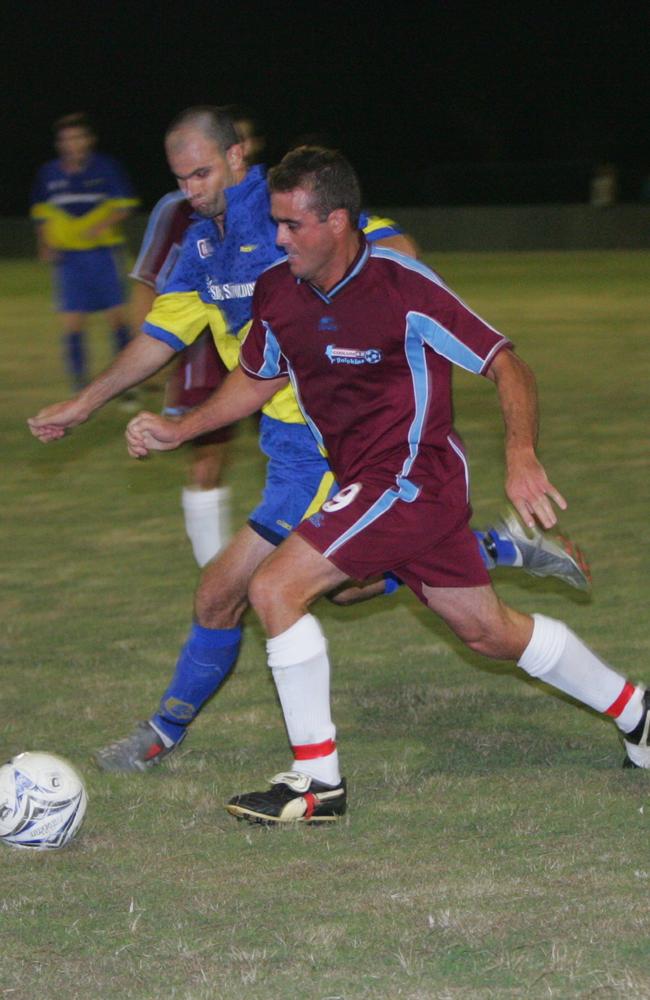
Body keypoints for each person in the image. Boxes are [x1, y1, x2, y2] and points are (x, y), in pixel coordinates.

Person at [28, 110, 588, 775]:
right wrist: (86, 404)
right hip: (290, 449)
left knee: (231, 590)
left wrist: (351, 323)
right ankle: (492, 548)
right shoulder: (200, 250)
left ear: (239, 156)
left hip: (341, 448)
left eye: (204, 173)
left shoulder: (289, 209)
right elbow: (160, 334)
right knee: (346, 591)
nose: (194, 191)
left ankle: (176, 737)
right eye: (181, 181)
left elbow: (387, 253)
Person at [124, 147, 648, 826]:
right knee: (487, 631)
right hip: (368, 484)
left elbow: (505, 363)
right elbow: (258, 378)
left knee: (276, 587)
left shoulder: (405, 286)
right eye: (275, 223)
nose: (277, 239)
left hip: (412, 479)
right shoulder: (278, 291)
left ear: (338, 222)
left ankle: (317, 783)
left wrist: (520, 453)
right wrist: (181, 428)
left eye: (292, 225)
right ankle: (636, 712)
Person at [128, 107, 267, 565]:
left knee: (297, 451)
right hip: (203, 346)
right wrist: (145, 363)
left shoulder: (270, 202)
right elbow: (148, 280)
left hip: (270, 348)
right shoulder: (175, 211)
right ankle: (216, 573)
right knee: (207, 458)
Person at [30, 112, 139, 391]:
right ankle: (79, 387)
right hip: (68, 260)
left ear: (89, 140)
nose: (72, 143)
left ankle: (125, 385)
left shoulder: (106, 168)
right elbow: (41, 213)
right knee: (72, 323)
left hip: (102, 255)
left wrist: (98, 226)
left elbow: (125, 205)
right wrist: (44, 244)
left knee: (117, 320)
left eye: (78, 137)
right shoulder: (49, 173)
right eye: (66, 139)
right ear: (59, 143)